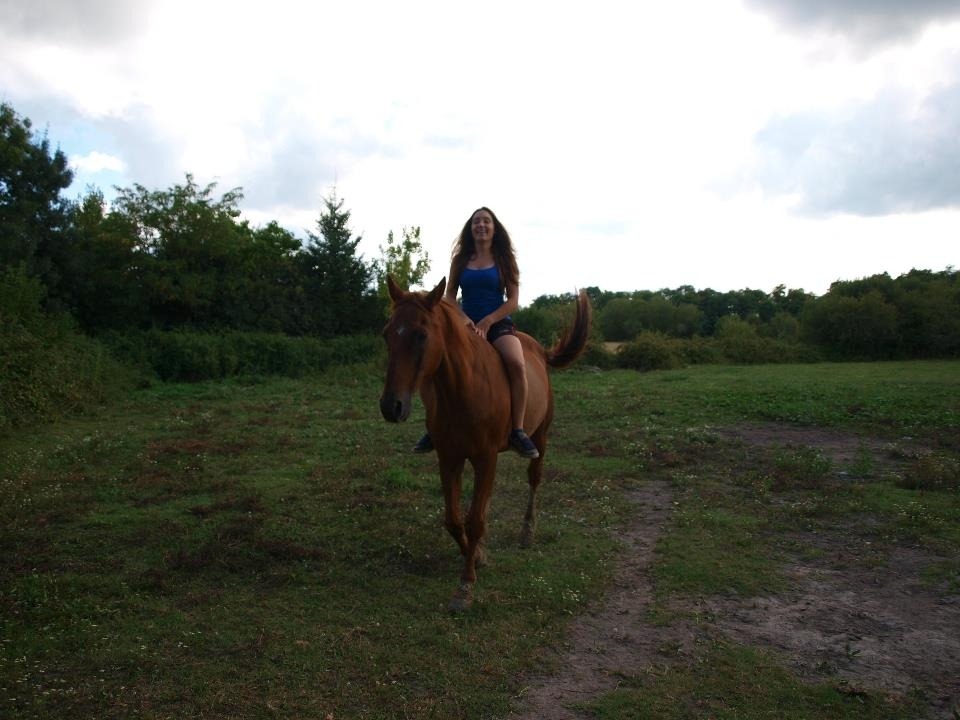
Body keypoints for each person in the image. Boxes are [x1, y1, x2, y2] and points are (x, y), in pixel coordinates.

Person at [413, 207, 540, 459]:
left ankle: (517, 430)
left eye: (486, 221)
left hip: (498, 323)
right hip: (464, 324)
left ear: (494, 227)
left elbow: (513, 300)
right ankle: (433, 428)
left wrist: (488, 321)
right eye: (476, 222)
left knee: (516, 364)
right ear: (470, 229)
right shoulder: (461, 260)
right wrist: (463, 318)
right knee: (433, 365)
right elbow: (449, 296)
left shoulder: (505, 259)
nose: (480, 225)